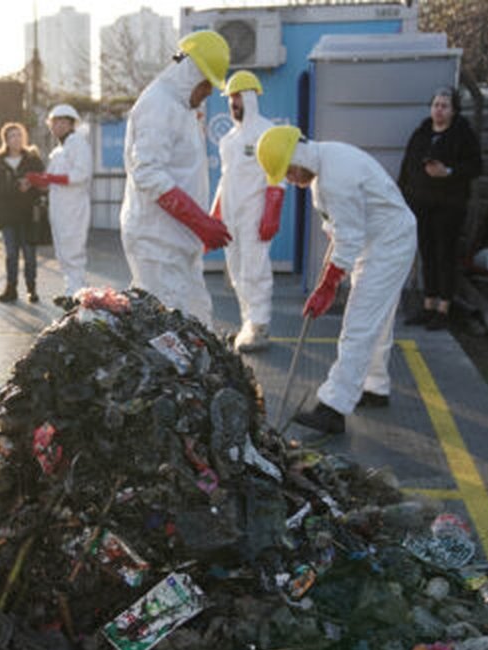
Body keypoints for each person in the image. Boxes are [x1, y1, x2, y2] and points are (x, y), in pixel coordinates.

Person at [256, 125, 417, 435]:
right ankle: (375, 385)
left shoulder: (334, 178)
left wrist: (329, 285)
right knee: (376, 320)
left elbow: (349, 237)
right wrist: (329, 272)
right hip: (379, 239)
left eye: (289, 172)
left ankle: (333, 407)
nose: (291, 180)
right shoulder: (325, 166)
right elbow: (339, 231)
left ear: (298, 156)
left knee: (359, 323)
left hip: (388, 243)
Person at [120, 30, 232, 327]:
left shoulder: (180, 107)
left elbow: (183, 172)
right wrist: (199, 220)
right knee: (167, 333)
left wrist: (197, 226)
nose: (209, 92)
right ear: (191, 73)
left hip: (176, 241)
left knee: (196, 323)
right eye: (207, 83)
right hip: (156, 243)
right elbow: (147, 171)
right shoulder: (158, 105)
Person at [211, 70, 284, 352]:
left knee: (255, 269)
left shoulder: (267, 133)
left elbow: (277, 175)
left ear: (251, 98)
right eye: (230, 98)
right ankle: (248, 324)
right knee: (237, 272)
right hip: (231, 215)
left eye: (238, 96)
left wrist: (271, 212)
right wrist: (215, 213)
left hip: (255, 213)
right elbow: (225, 179)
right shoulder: (228, 139)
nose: (233, 103)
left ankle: (261, 324)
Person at [398, 86, 482, 330]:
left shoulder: (463, 135)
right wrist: (401, 196)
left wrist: (449, 172)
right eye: (436, 105)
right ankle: (428, 304)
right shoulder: (421, 134)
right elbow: (407, 167)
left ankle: (444, 309)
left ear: (454, 111)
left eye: (445, 106)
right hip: (420, 205)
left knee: (445, 254)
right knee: (427, 253)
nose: (439, 110)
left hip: (449, 206)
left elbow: (476, 167)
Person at [26, 104, 92, 297]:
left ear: (72, 124)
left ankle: (78, 293)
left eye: (63, 122)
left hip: (73, 207)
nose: (59, 126)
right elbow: (50, 180)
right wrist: (38, 181)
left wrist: (49, 179)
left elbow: (81, 174)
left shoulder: (77, 143)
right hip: (60, 208)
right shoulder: (58, 151)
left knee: (73, 251)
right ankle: (72, 291)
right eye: (55, 122)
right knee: (63, 252)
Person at [0, 122, 44, 303]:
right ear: (6, 140)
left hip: (29, 215)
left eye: (19, 135)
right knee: (11, 254)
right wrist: (16, 186)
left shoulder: (33, 159)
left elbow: (42, 184)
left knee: (29, 254)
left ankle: (31, 289)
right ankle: (10, 289)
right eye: (12, 136)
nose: (16, 139)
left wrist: (30, 186)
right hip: (7, 215)